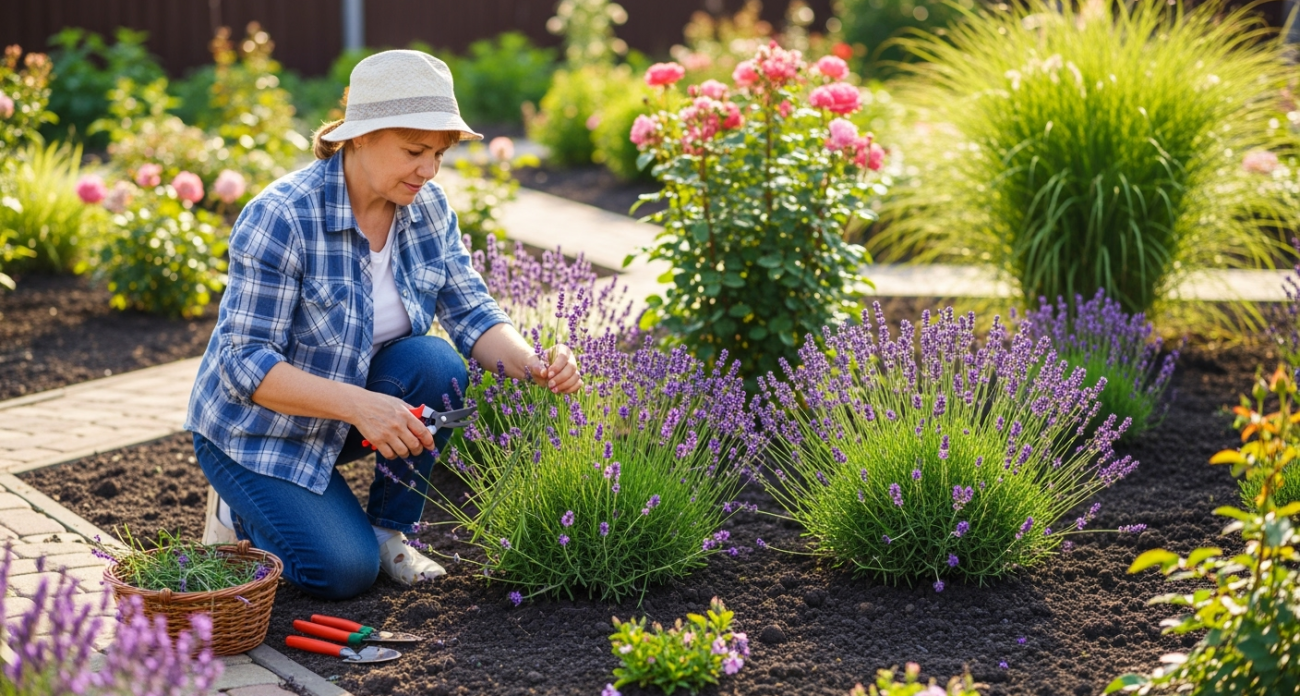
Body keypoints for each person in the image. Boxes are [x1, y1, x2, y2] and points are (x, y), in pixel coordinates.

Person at [185, 50, 582, 600]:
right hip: (254, 434)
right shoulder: (282, 217)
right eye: (415, 151)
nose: (429, 169)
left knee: (433, 362)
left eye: (438, 154)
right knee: (343, 572)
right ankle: (236, 509)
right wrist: (358, 404)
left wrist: (533, 363)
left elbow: (471, 310)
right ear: (360, 136)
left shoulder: (428, 208)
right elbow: (244, 364)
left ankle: (389, 531)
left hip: (348, 422)